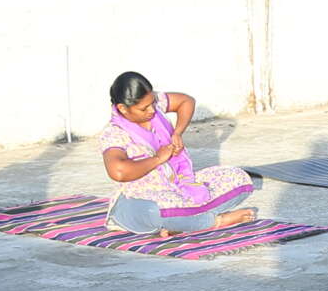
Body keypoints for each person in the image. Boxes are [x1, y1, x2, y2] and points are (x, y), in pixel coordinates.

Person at [99, 72, 257, 232]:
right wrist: (158, 159)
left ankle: (182, 222)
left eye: (152, 103)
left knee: (238, 179)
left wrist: (177, 133)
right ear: (122, 109)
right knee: (159, 211)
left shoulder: (155, 106)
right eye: (144, 108)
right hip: (140, 199)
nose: (151, 110)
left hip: (178, 184)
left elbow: (186, 101)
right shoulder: (115, 133)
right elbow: (118, 172)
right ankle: (216, 221)